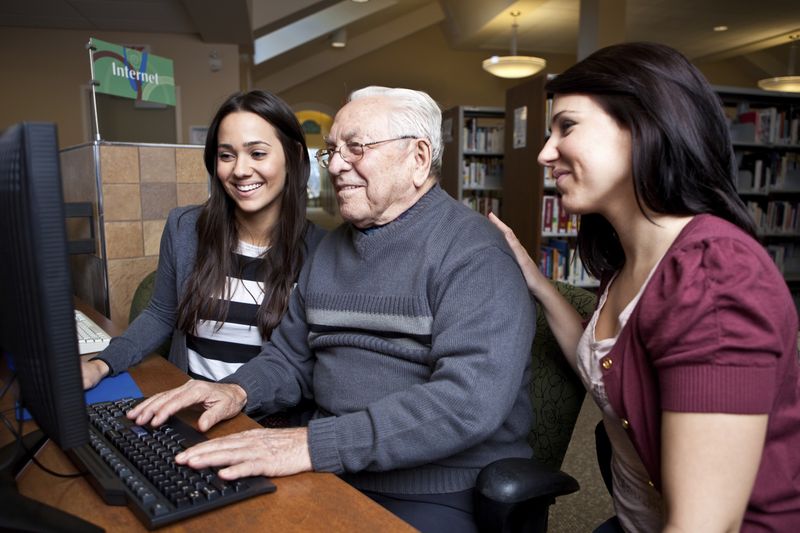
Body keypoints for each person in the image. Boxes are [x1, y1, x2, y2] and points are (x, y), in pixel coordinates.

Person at [126, 86, 535, 532]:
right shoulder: (332, 249)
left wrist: (312, 445)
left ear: (418, 158)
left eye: (356, 148)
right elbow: (290, 357)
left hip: (434, 488)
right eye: (333, 151)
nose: (337, 166)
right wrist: (236, 391)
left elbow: (467, 402)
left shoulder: (472, 253)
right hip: (334, 463)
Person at [490, 42, 800, 532]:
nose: (545, 152)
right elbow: (604, 366)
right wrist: (536, 280)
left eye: (566, 126)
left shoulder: (713, 278)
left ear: (644, 127)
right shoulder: (632, 260)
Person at [81, 90, 327, 426]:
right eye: (227, 156)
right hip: (189, 412)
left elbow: (303, 364)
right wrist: (101, 364)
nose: (241, 170)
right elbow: (160, 315)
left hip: (267, 425)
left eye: (257, 153)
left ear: (294, 155)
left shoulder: (322, 251)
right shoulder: (184, 228)